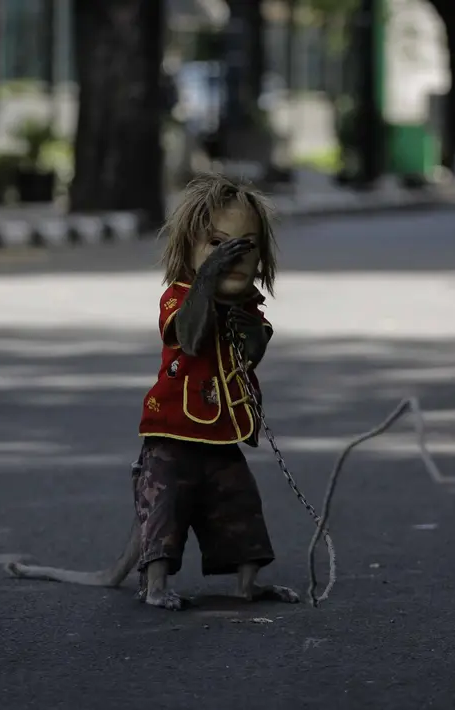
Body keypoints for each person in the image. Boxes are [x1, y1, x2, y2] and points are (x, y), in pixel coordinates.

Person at [135, 174, 299, 608]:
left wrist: (245, 321)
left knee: (241, 506)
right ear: (188, 251)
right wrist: (207, 281)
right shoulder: (179, 296)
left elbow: (251, 352)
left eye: (245, 245)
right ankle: (155, 586)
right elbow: (188, 339)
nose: (232, 256)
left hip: (221, 435)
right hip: (172, 433)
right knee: (165, 506)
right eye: (216, 244)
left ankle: (248, 585)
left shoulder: (250, 311)